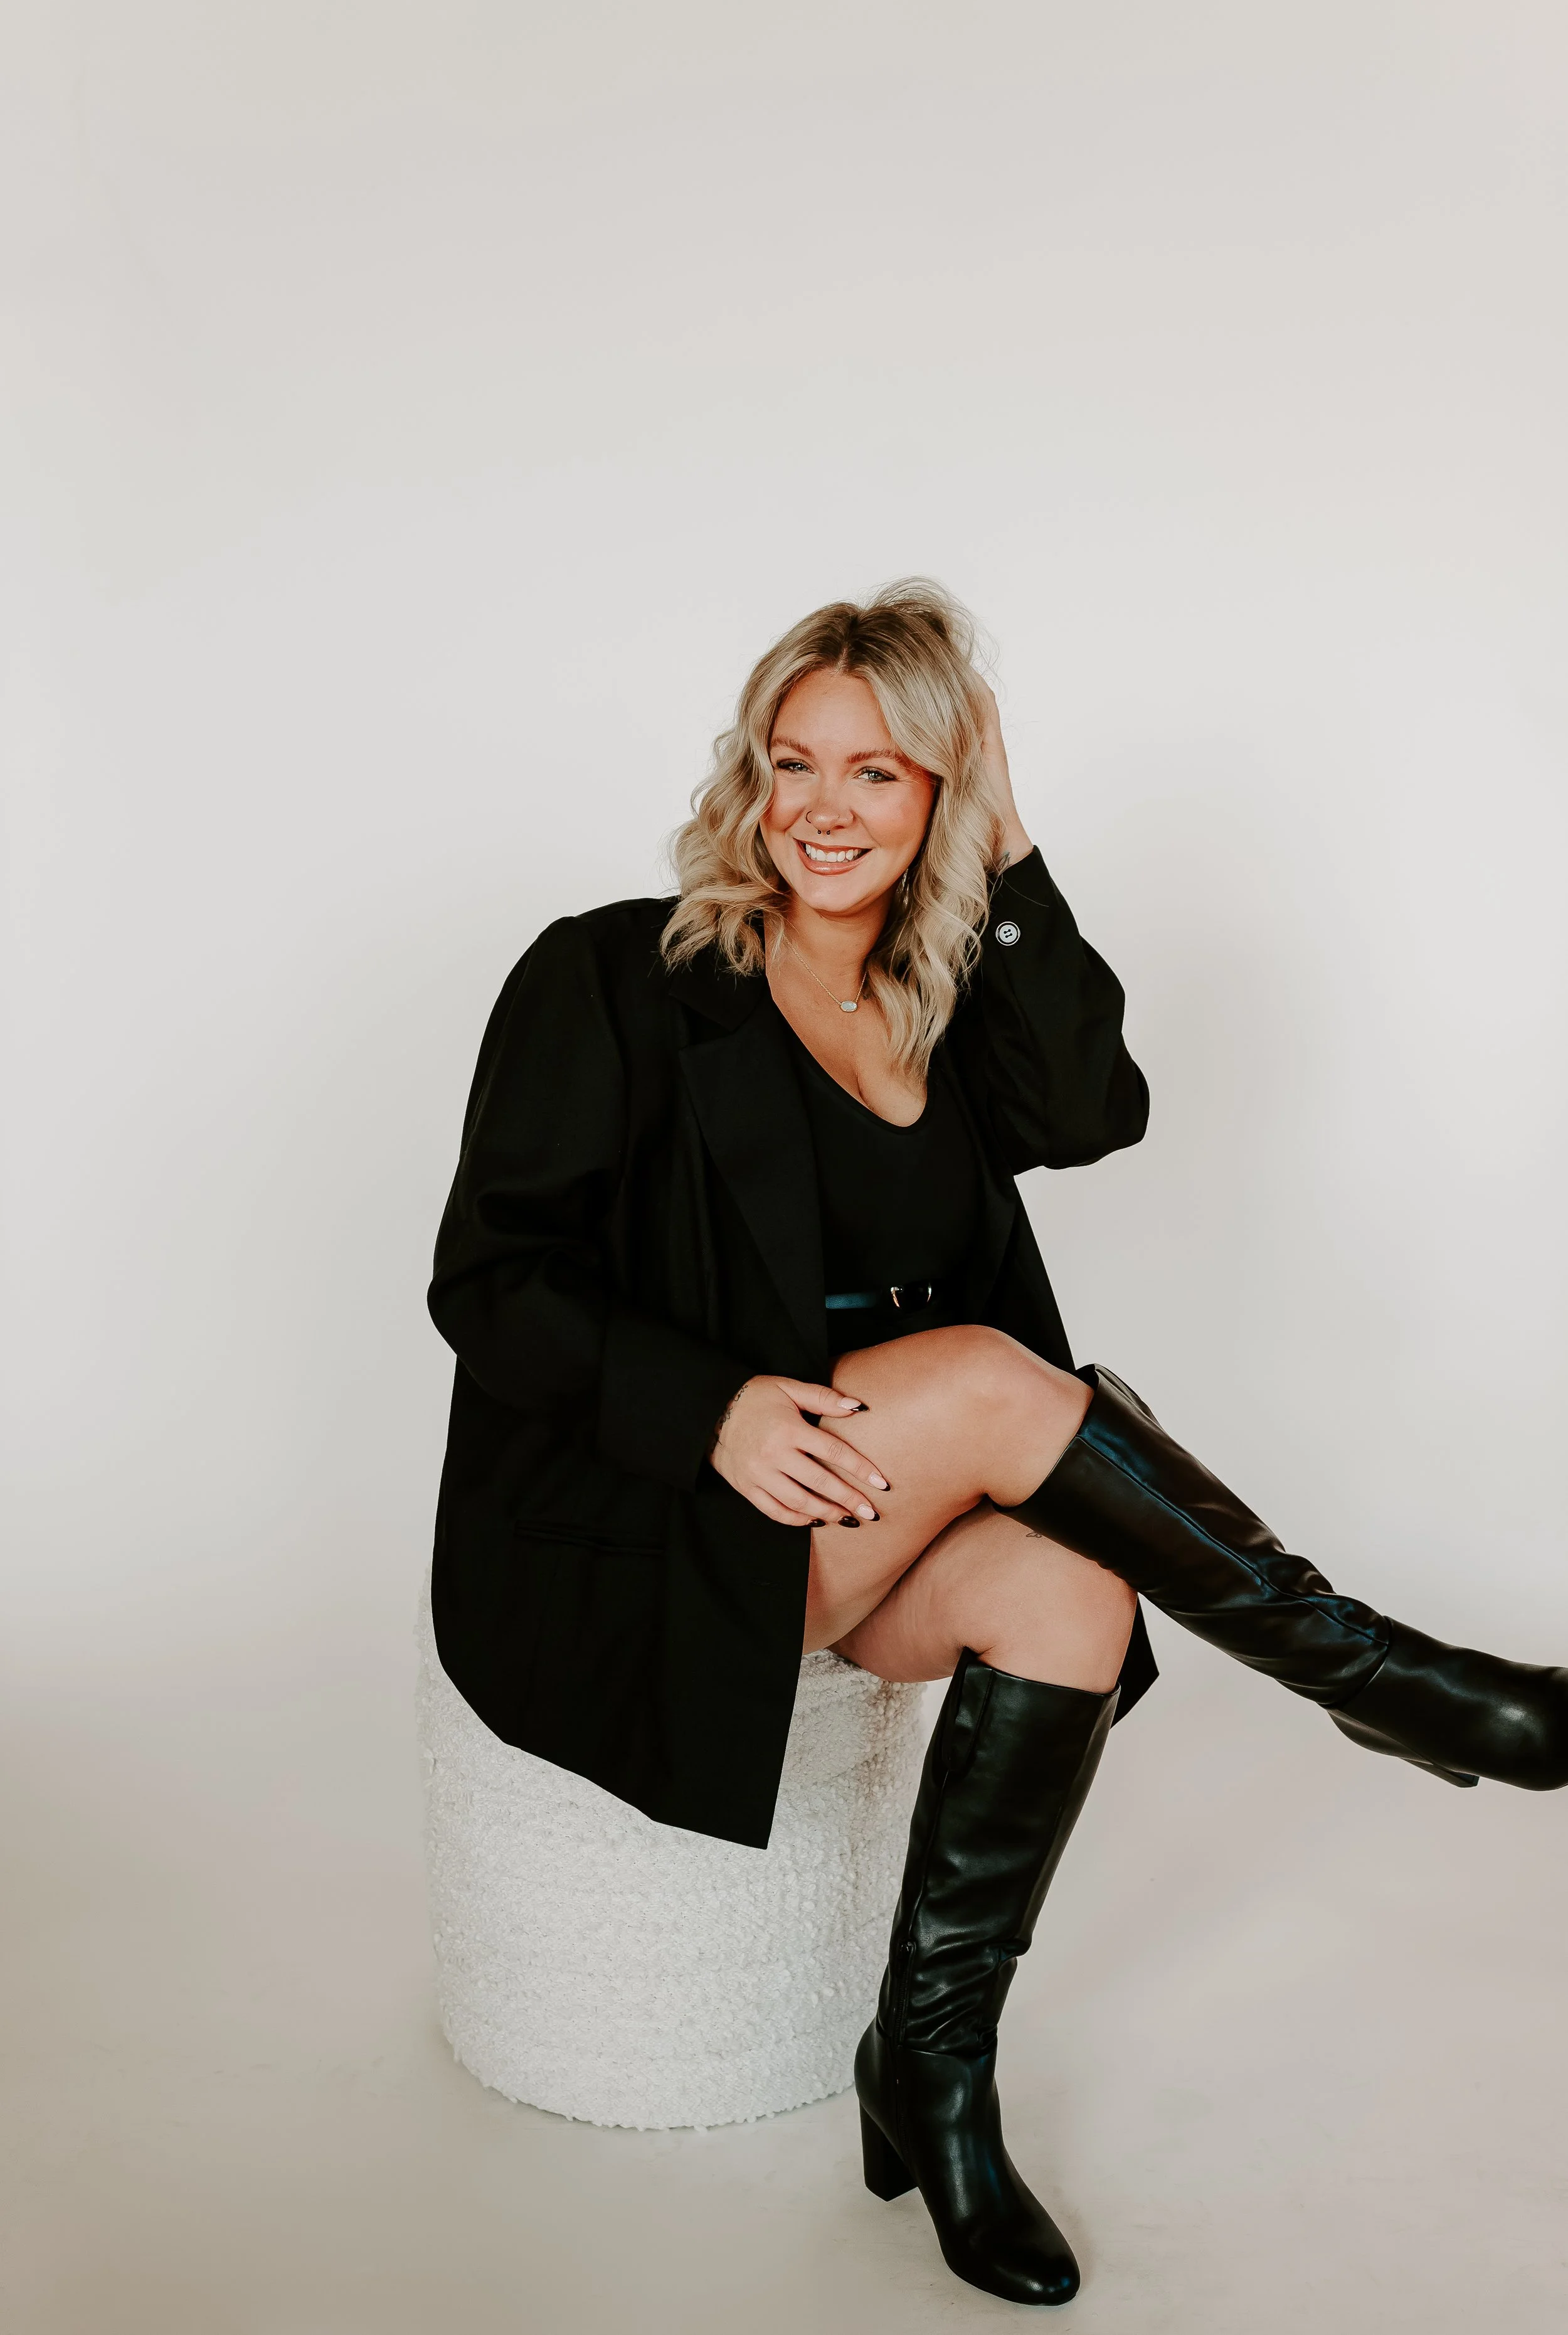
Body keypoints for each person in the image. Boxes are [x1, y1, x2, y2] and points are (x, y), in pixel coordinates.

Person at [427, 582, 1567, 2309]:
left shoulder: (945, 1003)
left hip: (852, 1525)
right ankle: (1372, 1673)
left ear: (943, 799)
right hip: (641, 1520)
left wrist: (1013, 853)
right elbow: (487, 1283)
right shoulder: (614, 972)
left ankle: (934, 2074)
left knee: (1069, 1602)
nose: (820, 806)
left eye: (882, 774)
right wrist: (712, 1408)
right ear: (744, 779)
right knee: (973, 1373)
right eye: (789, 761)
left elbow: (1097, 1113)